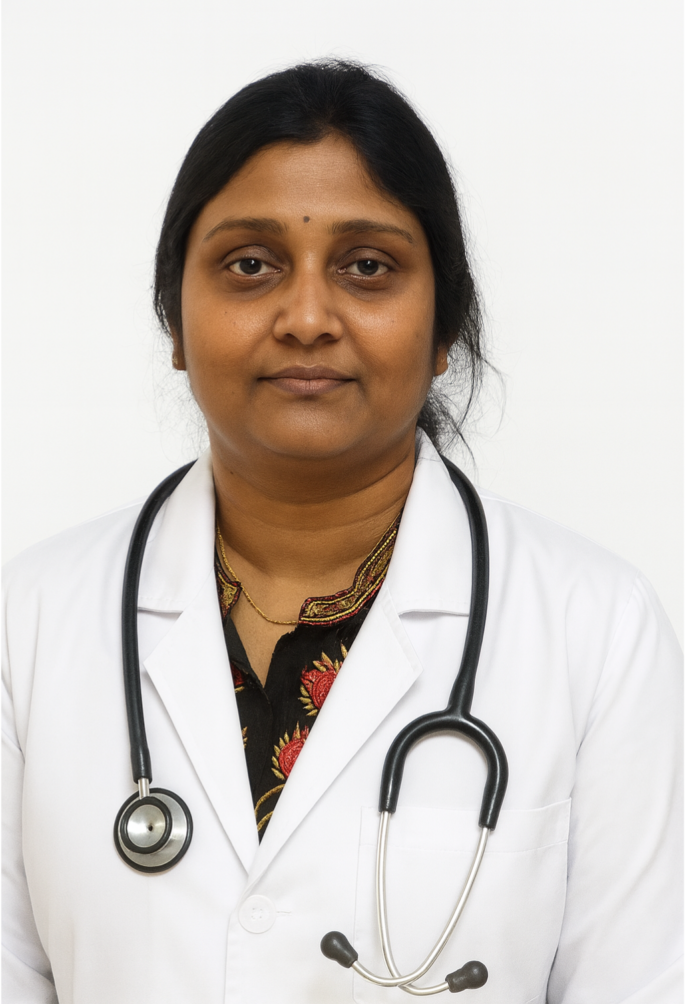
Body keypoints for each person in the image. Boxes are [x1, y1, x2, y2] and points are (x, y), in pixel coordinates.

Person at [2, 60, 681, 1004]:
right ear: (174, 320)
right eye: (250, 264)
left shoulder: (594, 628)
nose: (308, 318)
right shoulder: (31, 622)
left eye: (367, 267)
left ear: (443, 327)